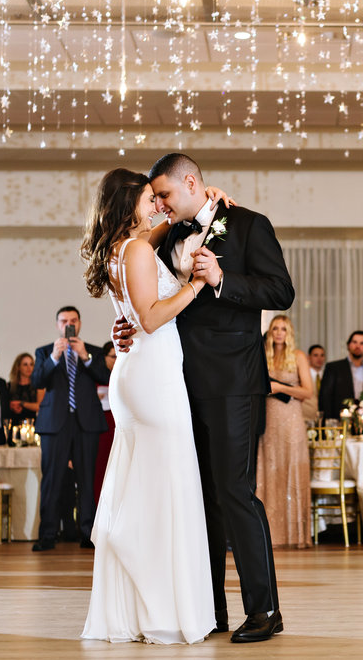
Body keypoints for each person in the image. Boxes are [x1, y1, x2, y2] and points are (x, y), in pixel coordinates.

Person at [130, 152, 293, 642]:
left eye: (165, 195)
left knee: (235, 494)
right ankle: (211, 609)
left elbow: (280, 290)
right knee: (200, 499)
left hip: (233, 382)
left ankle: (265, 610)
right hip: (179, 384)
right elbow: (152, 300)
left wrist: (223, 280)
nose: (159, 205)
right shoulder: (164, 241)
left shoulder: (248, 224)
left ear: (191, 181)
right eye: (154, 198)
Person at [81, 167, 225, 643]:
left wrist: (210, 203)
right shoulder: (139, 249)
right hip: (153, 377)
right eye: (149, 198)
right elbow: (148, 317)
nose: (157, 205)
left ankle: (139, 604)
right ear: (129, 205)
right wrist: (197, 286)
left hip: (138, 373)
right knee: (167, 487)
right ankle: (162, 607)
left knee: (147, 483)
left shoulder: (121, 248)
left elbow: (168, 226)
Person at [31, 306, 111, 551]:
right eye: (64, 320)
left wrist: (84, 356)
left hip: (86, 423)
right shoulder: (45, 352)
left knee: (87, 480)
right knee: (52, 480)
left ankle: (88, 533)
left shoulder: (93, 352)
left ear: (80, 323)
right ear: (57, 324)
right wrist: (55, 357)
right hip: (55, 424)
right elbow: (37, 381)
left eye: (73, 320)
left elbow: (106, 378)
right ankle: (47, 534)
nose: (69, 324)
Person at [257, 314, 314, 549]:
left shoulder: (298, 356)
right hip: (268, 418)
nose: (279, 333)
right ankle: (269, 533)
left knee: (291, 469)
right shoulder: (263, 354)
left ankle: (295, 534)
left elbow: (307, 392)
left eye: (283, 329)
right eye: (275, 328)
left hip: (291, 420)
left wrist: (279, 387)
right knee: (269, 471)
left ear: (289, 332)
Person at [318, 331, 363, 420]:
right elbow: (325, 397)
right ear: (348, 345)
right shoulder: (333, 368)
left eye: (362, 343)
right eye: (354, 342)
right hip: (338, 419)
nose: (358, 346)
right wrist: (328, 421)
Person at [93, 342, 117, 504]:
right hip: (100, 427)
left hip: (118, 425)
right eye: (113, 356)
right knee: (100, 470)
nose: (117, 360)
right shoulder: (95, 375)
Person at [7, 353, 40, 427]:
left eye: (31, 364)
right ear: (18, 367)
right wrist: (12, 406)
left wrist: (21, 403)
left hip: (32, 426)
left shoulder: (38, 386)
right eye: (25, 364)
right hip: (13, 425)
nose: (29, 368)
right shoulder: (9, 386)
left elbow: (39, 406)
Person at [301, 344, 326, 423]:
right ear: (308, 357)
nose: (319, 358)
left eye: (322, 355)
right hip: (306, 419)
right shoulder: (302, 376)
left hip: (323, 420)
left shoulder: (328, 375)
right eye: (315, 355)